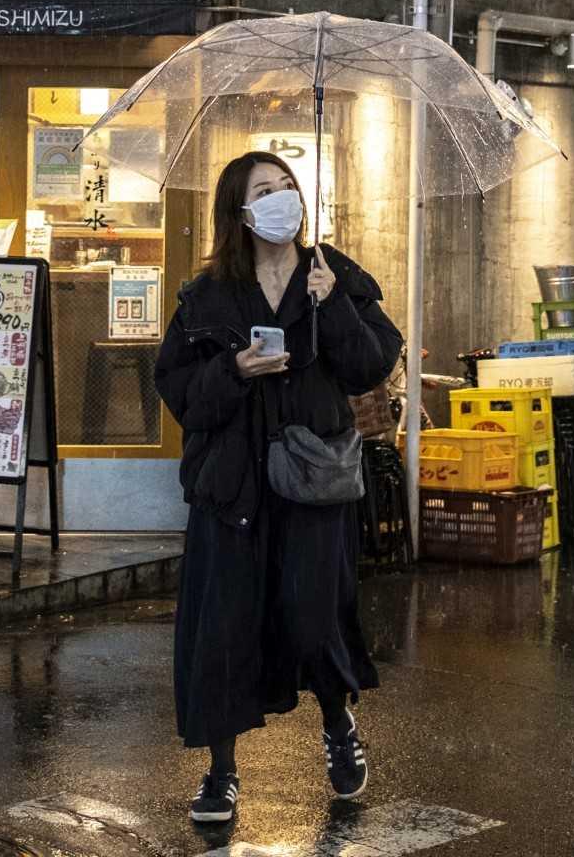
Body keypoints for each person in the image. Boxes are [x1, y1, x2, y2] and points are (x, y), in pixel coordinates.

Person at [155, 151, 403, 826]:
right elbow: (181, 395)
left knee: (312, 614)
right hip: (232, 489)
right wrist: (234, 370)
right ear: (239, 212)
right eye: (265, 190)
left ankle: (338, 724)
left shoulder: (334, 275)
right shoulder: (205, 298)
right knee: (225, 628)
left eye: (287, 185)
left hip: (312, 482)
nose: (281, 198)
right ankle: (221, 772)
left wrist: (334, 308)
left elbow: (371, 366)